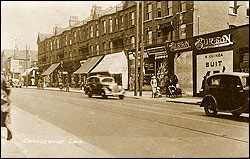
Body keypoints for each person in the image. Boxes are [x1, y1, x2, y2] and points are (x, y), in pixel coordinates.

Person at [1, 74, 12, 140]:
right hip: (3, 100)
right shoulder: (2, 77)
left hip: (3, 101)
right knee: (3, 119)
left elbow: (8, 88)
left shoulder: (2, 78)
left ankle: (9, 133)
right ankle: (9, 133)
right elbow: (8, 88)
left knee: (3, 119)